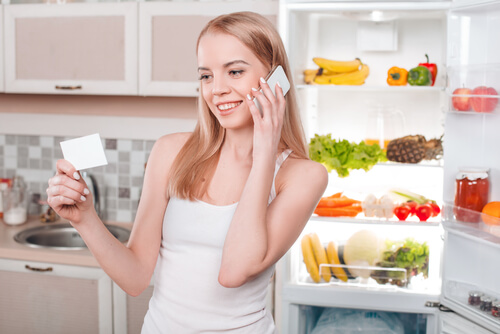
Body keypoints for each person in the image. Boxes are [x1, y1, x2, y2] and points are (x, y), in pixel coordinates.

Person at [46, 11, 327, 333]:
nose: (217, 89)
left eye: (235, 71)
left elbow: (234, 272)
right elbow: (135, 278)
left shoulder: (303, 176)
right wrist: (85, 219)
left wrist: (264, 152)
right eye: (206, 76)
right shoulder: (171, 152)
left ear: (276, 78)